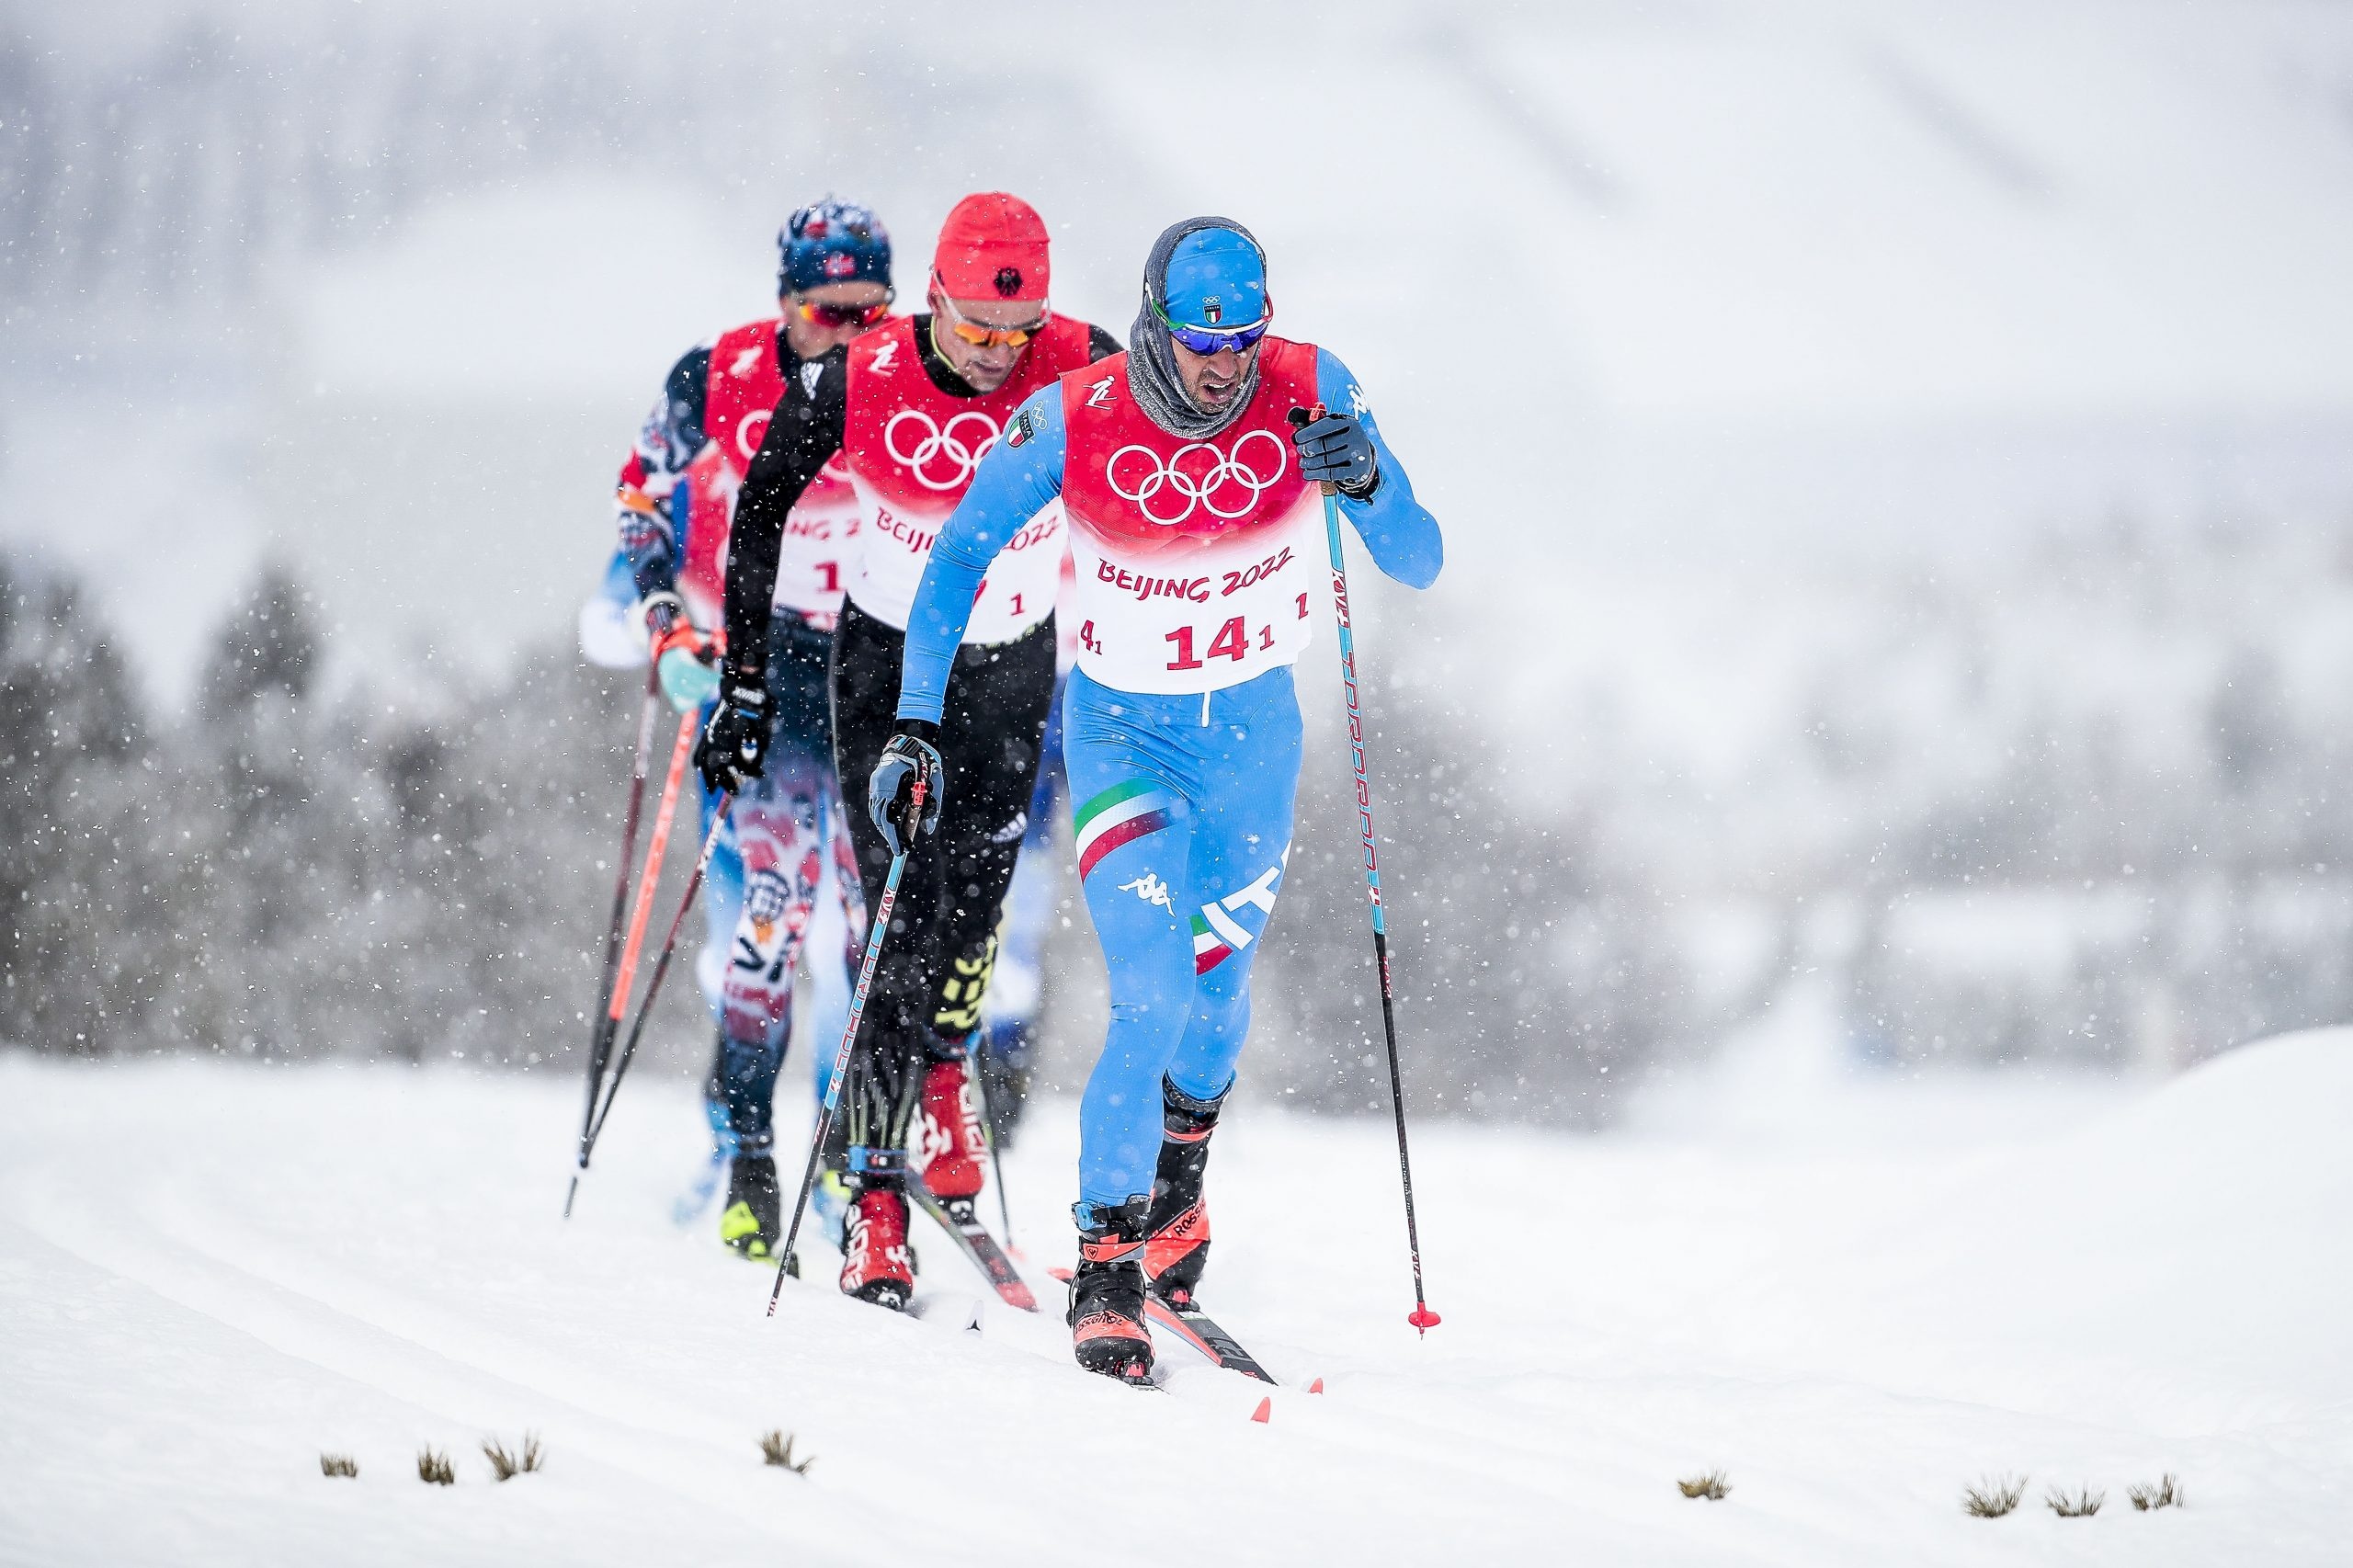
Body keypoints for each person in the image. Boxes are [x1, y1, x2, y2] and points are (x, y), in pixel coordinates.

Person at [871, 217, 1443, 1381]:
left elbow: (1422, 558)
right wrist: (916, 720)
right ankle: (1107, 1262)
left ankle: (1178, 1198)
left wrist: (1370, 480)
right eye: (1199, 342)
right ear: (1155, 321)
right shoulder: (1077, 415)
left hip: (1251, 742)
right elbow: (956, 559)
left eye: (1244, 341)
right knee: (1150, 994)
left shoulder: (1312, 385)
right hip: (1126, 738)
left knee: (1216, 1004)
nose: (1224, 364)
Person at [701, 192, 1120, 1311]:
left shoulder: (1079, 361)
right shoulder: (862, 374)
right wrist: (743, 679)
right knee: (897, 925)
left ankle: (945, 1071)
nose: (994, 356)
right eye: (973, 331)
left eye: (1014, 332)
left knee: (979, 905)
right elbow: (760, 509)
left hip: (1015, 661)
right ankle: (873, 1198)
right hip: (885, 668)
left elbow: (1196, 418)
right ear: (932, 299)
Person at [593, 199, 892, 1262]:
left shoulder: (907, 379)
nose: (852, 334)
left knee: (874, 935)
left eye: (872, 311)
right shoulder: (712, 377)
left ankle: (863, 1166)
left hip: (871, 674)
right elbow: (641, 498)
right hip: (758, 672)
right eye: (827, 310)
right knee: (766, 922)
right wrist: (664, 623)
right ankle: (751, 1156)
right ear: (785, 302)